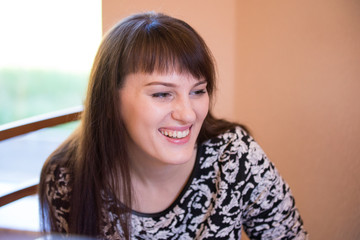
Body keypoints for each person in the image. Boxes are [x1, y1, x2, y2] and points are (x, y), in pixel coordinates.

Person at [39, 12, 308, 239]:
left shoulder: (235, 157)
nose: (188, 115)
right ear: (110, 101)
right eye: (162, 94)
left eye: (198, 91)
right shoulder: (67, 177)